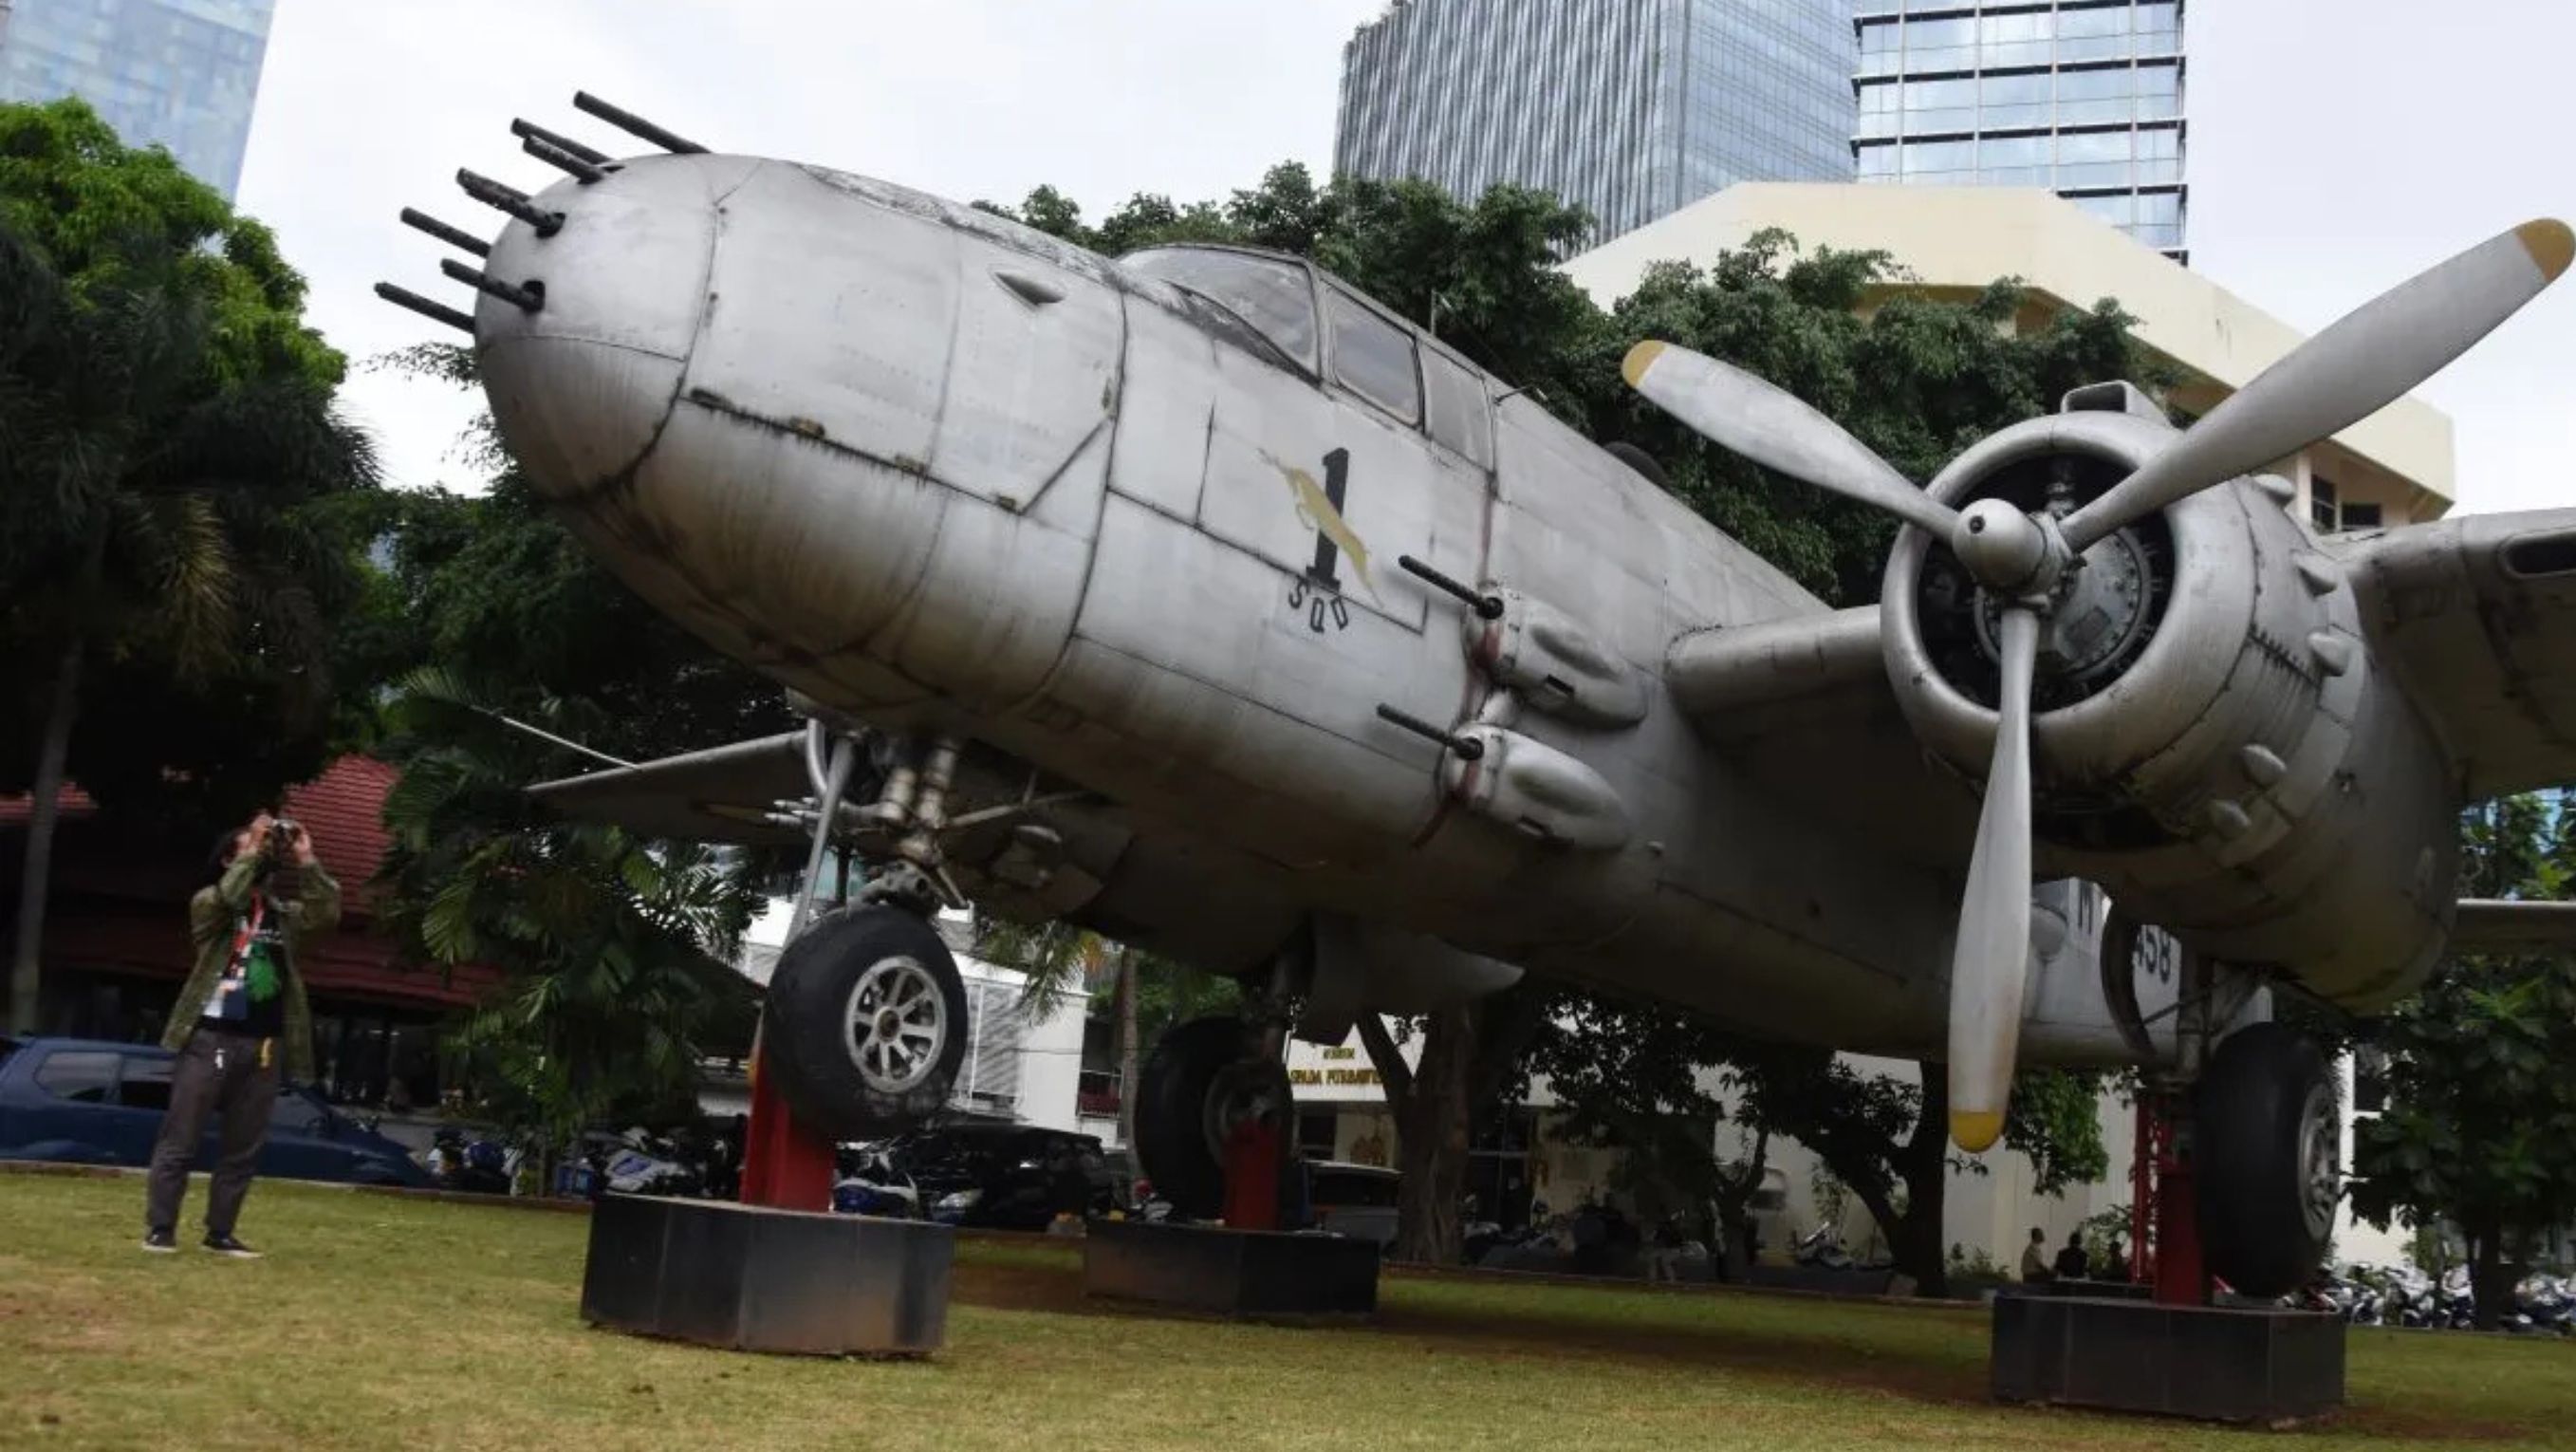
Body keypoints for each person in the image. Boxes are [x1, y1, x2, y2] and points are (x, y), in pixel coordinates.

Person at [142, 811, 340, 1257]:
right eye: (248, 846)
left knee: (243, 1146)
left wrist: (306, 859)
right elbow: (230, 895)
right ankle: (160, 1228)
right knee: (181, 1139)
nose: (262, 850)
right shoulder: (209, 905)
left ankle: (220, 1231)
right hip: (209, 1038)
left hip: (263, 1042)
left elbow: (326, 915)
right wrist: (252, 848)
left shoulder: (282, 916)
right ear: (229, 858)